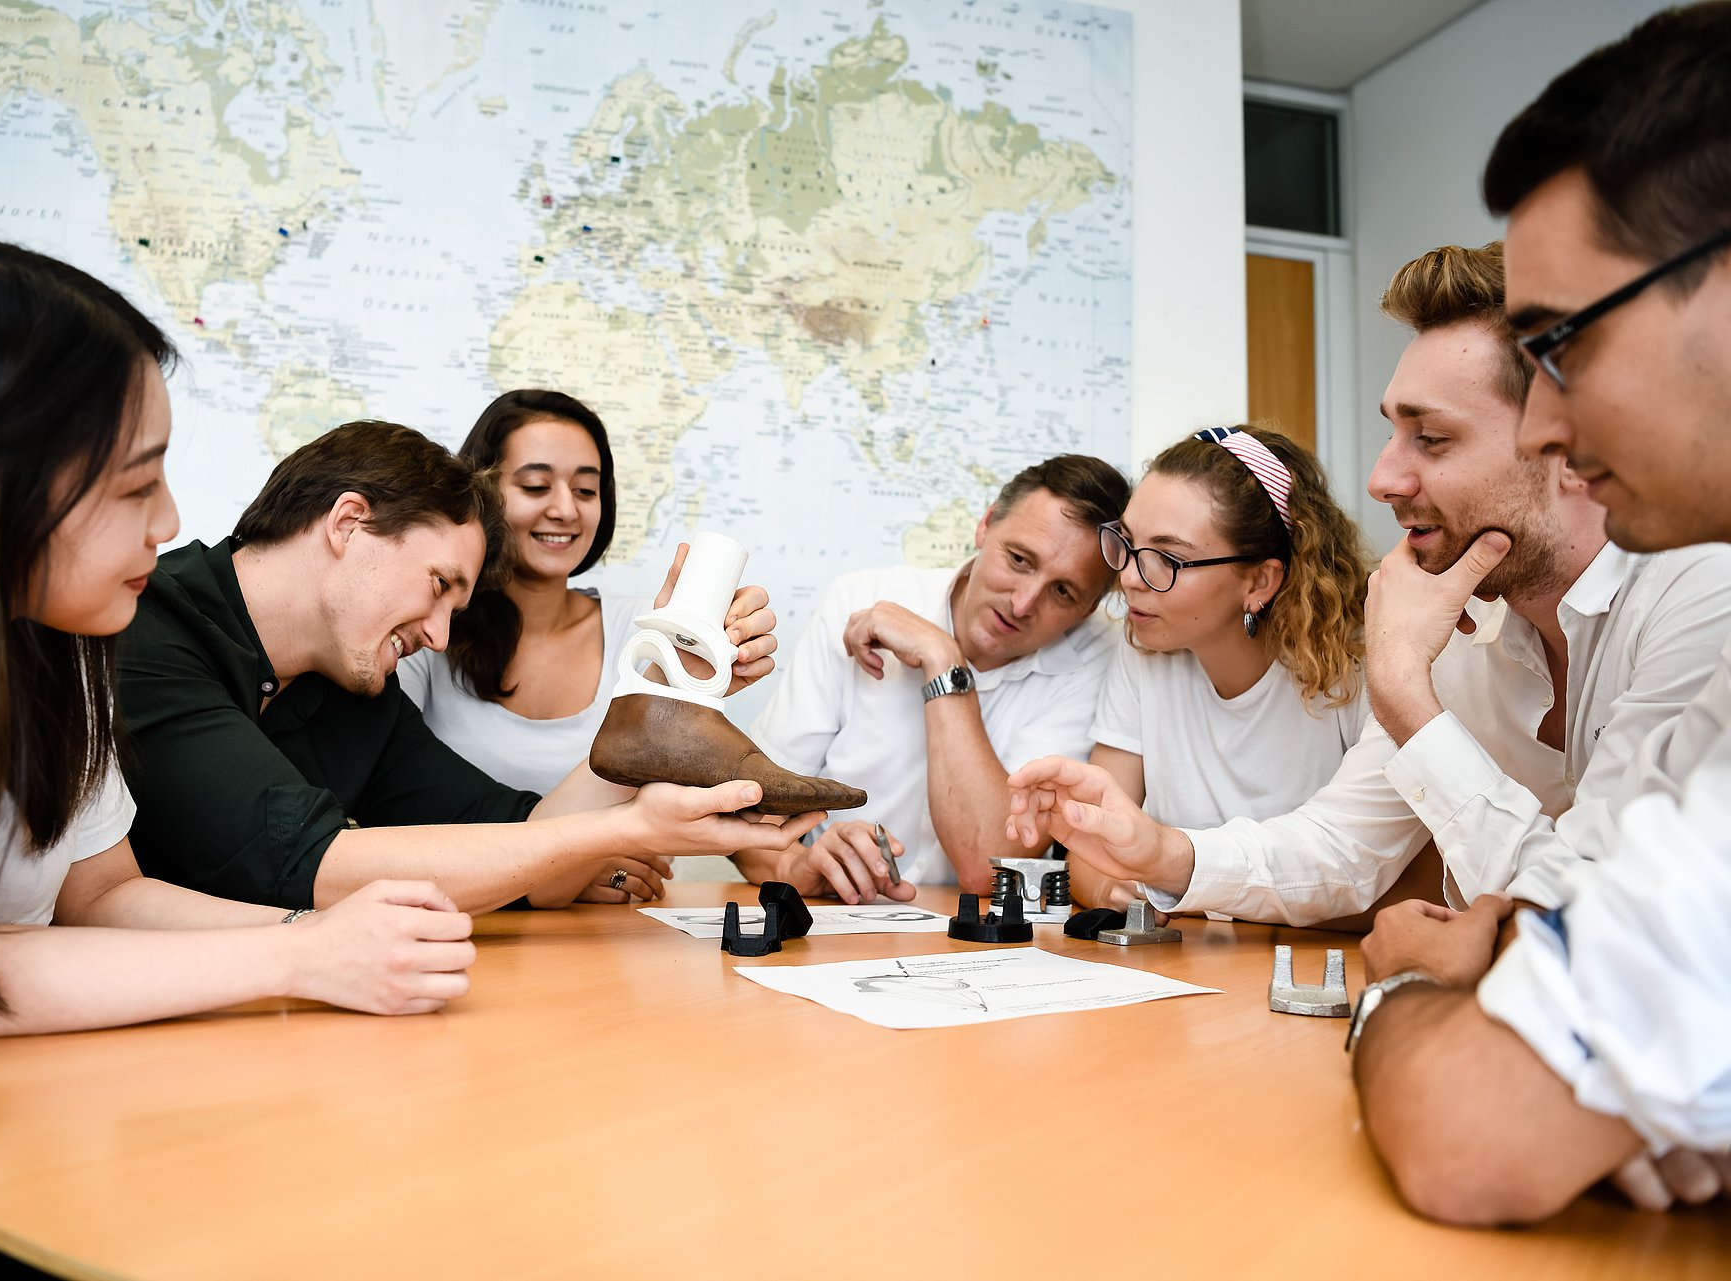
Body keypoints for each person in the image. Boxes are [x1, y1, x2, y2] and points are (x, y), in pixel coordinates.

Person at [0, 233, 478, 1271]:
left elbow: (99, 894)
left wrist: (320, 935)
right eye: (132, 490)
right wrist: (294, 953)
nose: (169, 524)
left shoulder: (65, 649)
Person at [1005, 241, 1731, 930]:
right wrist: (1160, 851)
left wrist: (1403, 692)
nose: (1383, 479)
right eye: (1392, 433)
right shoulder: (1459, 623)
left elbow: (1600, 912)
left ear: (1567, 440)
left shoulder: (1700, 589)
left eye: (1432, 439)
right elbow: (1343, 850)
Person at [1351, 2, 1731, 1225]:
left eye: (1563, 346)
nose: (1551, 429)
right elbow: (1580, 902)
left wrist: (1404, 993)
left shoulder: (1696, 588)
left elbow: (1474, 1130)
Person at [117, 420, 818, 915]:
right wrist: (629, 828)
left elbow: (526, 847)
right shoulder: (147, 634)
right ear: (348, 523)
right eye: (439, 584)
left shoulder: (357, 691)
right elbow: (308, 864)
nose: (438, 633)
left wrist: (659, 686)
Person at [735, 455, 1130, 900]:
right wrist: (795, 864)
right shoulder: (858, 597)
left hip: (978, 947)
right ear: (986, 525)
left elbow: (990, 867)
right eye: (1019, 559)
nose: (1022, 604)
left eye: (1063, 591)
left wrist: (943, 659)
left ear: (1090, 608)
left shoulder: (1106, 658)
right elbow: (747, 814)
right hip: (832, 921)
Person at [1064, 425, 1372, 912]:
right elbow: (1087, 849)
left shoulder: (1358, 667)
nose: (1128, 578)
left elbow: (1389, 885)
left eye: (1166, 558)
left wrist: (1172, 876)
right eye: (1126, 542)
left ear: (1260, 581)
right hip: (1201, 957)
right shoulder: (1148, 644)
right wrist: (1113, 890)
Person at [398, 390, 672, 903]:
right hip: (466, 926)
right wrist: (567, 863)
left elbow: (703, 782)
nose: (565, 509)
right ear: (481, 491)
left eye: (587, 491)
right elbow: (387, 809)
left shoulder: (643, 629)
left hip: (613, 941)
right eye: (536, 485)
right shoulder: (427, 628)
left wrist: (792, 855)